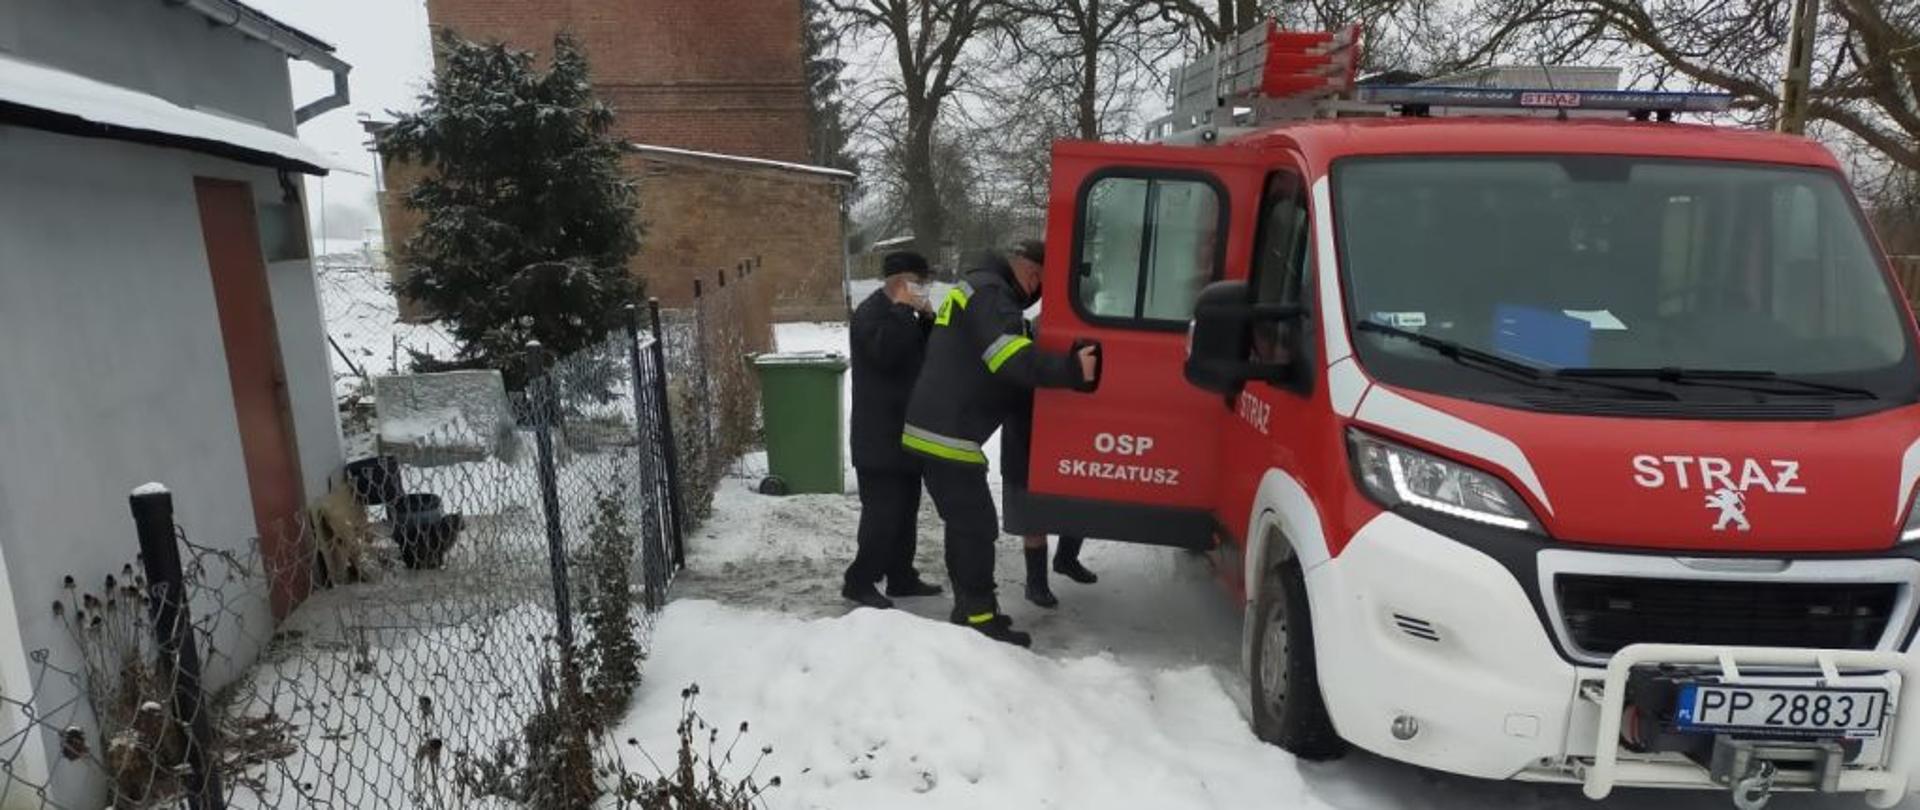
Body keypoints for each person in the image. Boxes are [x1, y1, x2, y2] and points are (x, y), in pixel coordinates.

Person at [903, 240, 1100, 646]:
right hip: (949, 432)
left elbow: (990, 346)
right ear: (1032, 274)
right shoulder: (992, 293)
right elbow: (1006, 356)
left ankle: (969, 608)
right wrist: (1070, 369)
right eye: (1042, 283)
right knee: (976, 528)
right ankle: (980, 617)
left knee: (965, 526)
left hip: (940, 427)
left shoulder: (978, 288)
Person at [843, 251, 944, 609]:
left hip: (905, 432)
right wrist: (904, 310)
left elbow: (925, 357)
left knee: (905, 511)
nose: (924, 288)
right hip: (878, 436)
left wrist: (929, 320)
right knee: (882, 516)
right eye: (919, 281)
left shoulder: (908, 316)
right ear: (900, 281)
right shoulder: (872, 314)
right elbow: (885, 354)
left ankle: (901, 576)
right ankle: (860, 580)